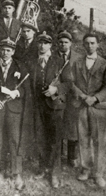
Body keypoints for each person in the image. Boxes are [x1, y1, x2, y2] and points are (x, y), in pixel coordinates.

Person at [29, 32, 72, 188]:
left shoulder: (60, 62)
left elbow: (69, 84)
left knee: (54, 140)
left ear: (50, 46)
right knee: (40, 138)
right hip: (38, 106)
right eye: (40, 42)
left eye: (45, 43)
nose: (42, 45)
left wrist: (56, 89)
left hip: (55, 107)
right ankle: (42, 168)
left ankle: (54, 173)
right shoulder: (33, 62)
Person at [0, 38, 29, 191]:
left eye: (8, 50)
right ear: (0, 50)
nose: (5, 53)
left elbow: (25, 88)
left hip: (13, 109)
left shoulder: (20, 66)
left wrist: (17, 92)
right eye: (3, 50)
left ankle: (16, 172)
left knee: (14, 139)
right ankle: (1, 169)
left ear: (13, 52)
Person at [71, 33, 106, 188]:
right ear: (83, 45)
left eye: (92, 43)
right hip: (82, 105)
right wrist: (82, 96)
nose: (89, 46)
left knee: (99, 141)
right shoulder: (77, 62)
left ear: (98, 45)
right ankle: (85, 169)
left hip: (98, 107)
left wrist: (96, 98)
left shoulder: (104, 64)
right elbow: (71, 83)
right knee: (83, 138)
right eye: (86, 43)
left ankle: (98, 174)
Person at [57, 30, 81, 168]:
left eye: (66, 42)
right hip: (58, 97)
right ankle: (58, 155)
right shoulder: (53, 57)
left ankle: (72, 157)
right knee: (58, 127)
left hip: (73, 98)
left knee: (73, 129)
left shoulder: (77, 58)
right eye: (60, 42)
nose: (63, 45)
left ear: (71, 43)